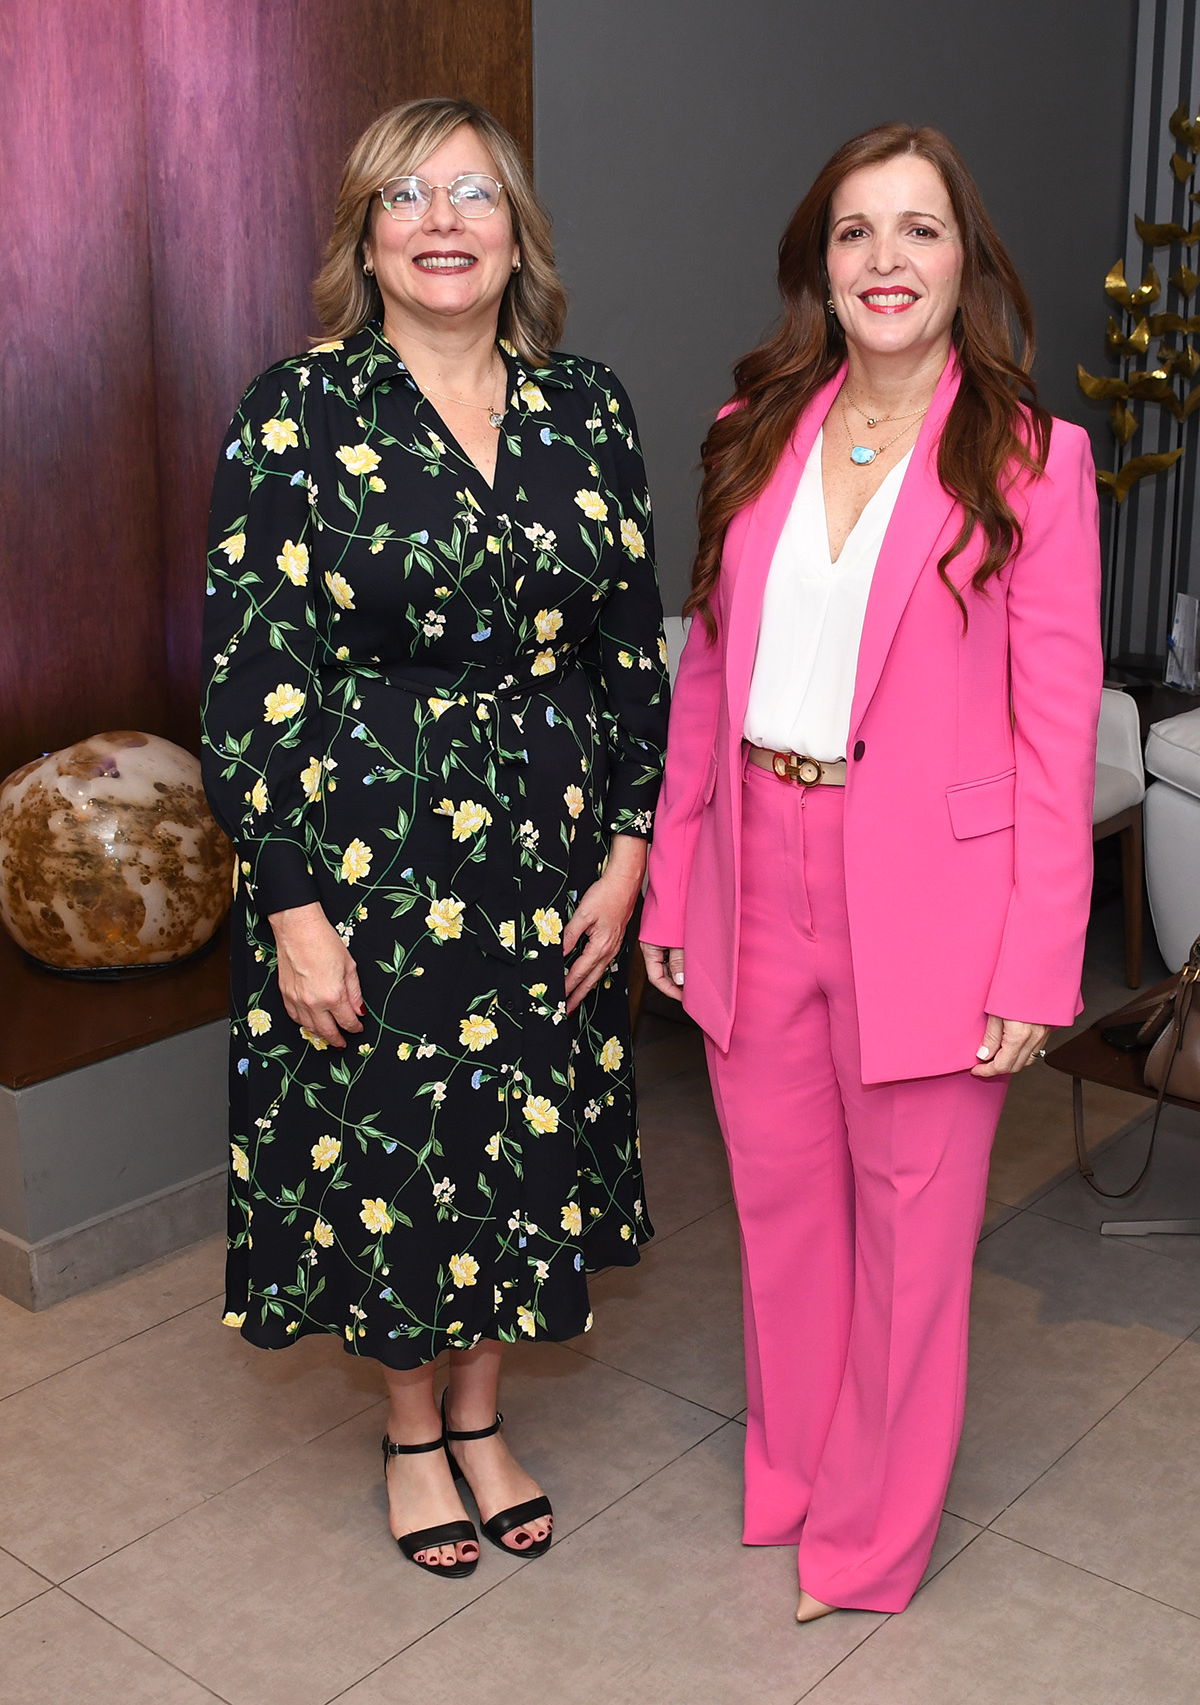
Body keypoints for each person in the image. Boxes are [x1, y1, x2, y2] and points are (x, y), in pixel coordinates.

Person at [201, 97, 667, 1578]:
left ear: (518, 233)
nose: (442, 220)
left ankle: (483, 1415)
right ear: (366, 239)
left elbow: (630, 642)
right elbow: (251, 671)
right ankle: (414, 1432)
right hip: (370, 857)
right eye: (405, 195)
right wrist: (291, 908)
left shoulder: (588, 406)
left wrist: (631, 846)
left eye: (473, 192)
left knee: (520, 1138)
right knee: (395, 1146)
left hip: (550, 851)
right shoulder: (298, 410)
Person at [641, 122, 1101, 1621]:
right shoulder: (751, 428)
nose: (886, 260)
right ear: (819, 267)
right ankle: (794, 1477)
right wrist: (675, 882)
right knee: (781, 1218)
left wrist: (1037, 960)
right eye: (855, 232)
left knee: (913, 1242)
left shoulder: (1034, 459)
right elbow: (705, 679)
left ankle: (868, 1540)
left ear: (967, 261)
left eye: (919, 229)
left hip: (935, 900)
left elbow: (1054, 735)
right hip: (755, 863)